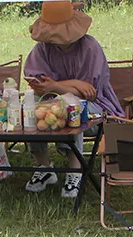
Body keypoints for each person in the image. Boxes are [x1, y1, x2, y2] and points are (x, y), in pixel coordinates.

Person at [24, 1, 124, 198]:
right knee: (31, 109)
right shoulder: (42, 49)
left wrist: (56, 86)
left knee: (73, 108)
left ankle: (75, 170)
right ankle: (44, 167)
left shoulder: (90, 47)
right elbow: (38, 83)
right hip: (51, 105)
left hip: (97, 109)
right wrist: (74, 83)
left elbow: (90, 93)